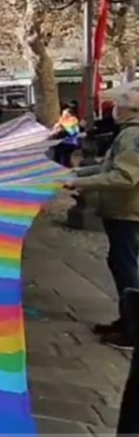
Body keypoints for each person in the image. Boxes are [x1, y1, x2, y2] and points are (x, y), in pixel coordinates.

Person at [67, 89, 139, 349]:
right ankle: (127, 319)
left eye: (118, 105)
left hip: (127, 211)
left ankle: (133, 329)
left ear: (131, 111)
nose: (114, 110)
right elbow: (108, 167)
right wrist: (78, 174)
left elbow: (125, 177)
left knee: (126, 266)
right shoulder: (127, 134)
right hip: (121, 210)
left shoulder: (132, 136)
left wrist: (79, 182)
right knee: (120, 263)